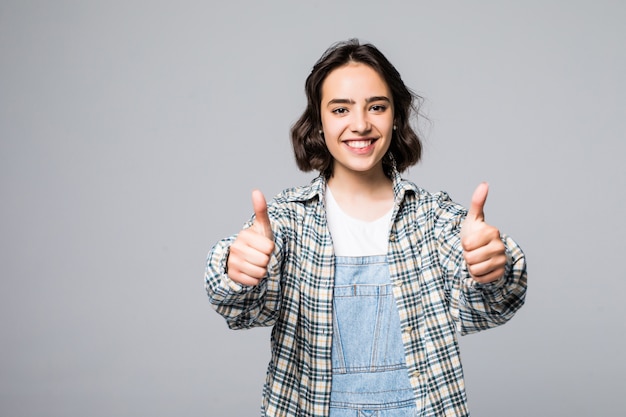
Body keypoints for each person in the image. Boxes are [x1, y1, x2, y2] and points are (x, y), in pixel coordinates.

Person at [205, 38, 527, 417]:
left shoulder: (433, 219)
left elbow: (487, 309)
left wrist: (493, 269)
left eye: (376, 107)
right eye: (341, 109)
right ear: (319, 122)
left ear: (395, 117)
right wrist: (234, 270)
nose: (360, 124)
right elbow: (242, 311)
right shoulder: (287, 222)